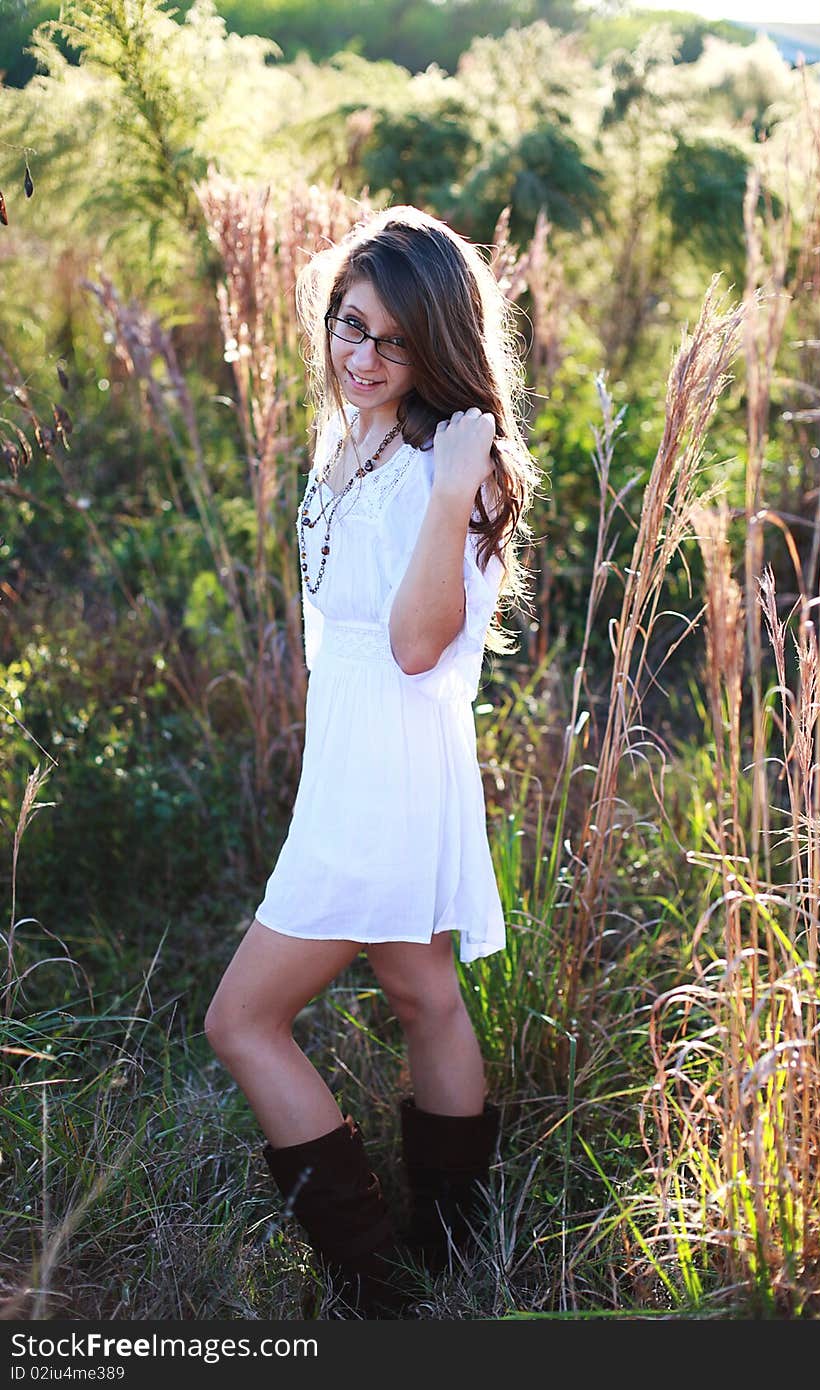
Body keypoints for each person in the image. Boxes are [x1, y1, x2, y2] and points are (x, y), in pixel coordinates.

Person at [204, 205, 542, 1318]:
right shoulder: (349, 436)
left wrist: (451, 492)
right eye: (351, 325)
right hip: (362, 764)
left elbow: (411, 644)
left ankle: (378, 1289)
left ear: (437, 342)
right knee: (420, 988)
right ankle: (448, 1260)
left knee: (239, 1021)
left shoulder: (455, 467)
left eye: (392, 340)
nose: (362, 356)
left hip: (387, 777)